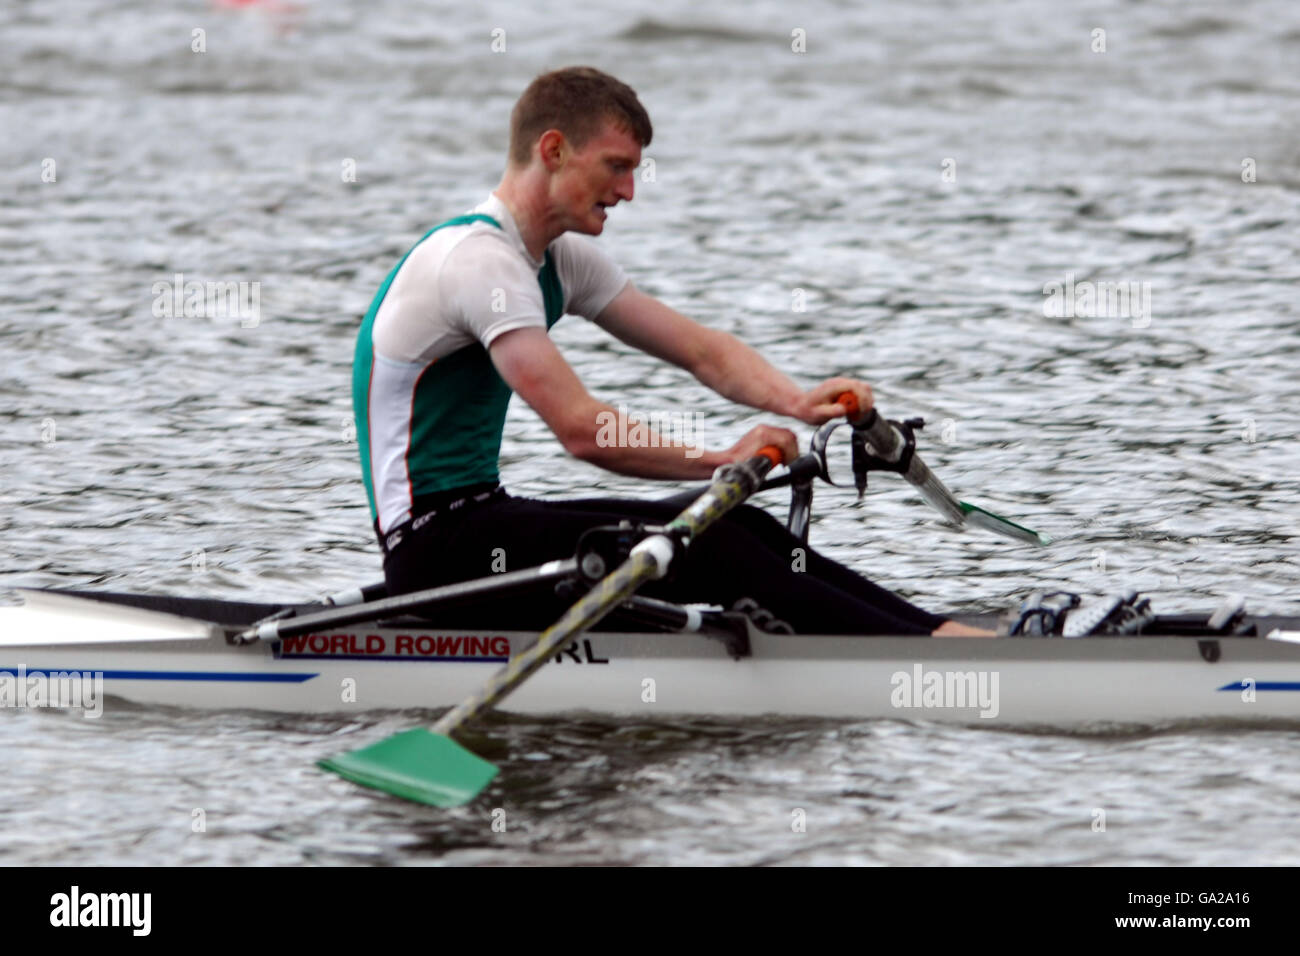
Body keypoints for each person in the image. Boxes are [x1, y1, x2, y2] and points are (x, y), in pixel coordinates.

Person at [352, 66, 990, 637]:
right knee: (707, 550)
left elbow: (702, 352)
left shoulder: (559, 259)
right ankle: (938, 658)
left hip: (485, 520)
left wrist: (796, 400)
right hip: (434, 551)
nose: (629, 190)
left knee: (739, 528)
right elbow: (582, 430)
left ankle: (943, 638)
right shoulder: (479, 265)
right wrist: (719, 461)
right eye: (617, 166)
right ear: (553, 150)